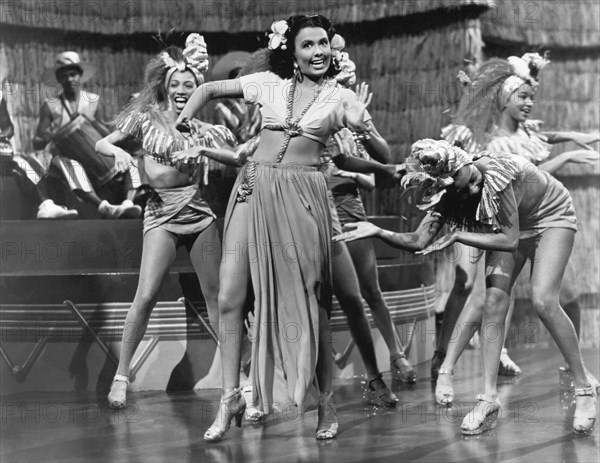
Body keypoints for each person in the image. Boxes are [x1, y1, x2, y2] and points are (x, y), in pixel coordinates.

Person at [174, 15, 376, 441]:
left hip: (303, 198)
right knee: (229, 296)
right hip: (253, 189)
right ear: (293, 52)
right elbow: (209, 89)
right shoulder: (268, 83)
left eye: (324, 43)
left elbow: (380, 151)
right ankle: (230, 396)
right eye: (308, 45)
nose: (319, 51)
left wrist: (363, 124)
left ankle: (325, 401)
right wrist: (186, 119)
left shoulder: (340, 96)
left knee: (312, 304)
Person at [334, 138, 597, 435]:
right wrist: (377, 230)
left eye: (470, 182)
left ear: (467, 164)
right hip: (508, 226)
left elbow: (508, 241)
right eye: (461, 188)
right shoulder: (450, 192)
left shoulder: (499, 173)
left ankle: (584, 388)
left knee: (543, 301)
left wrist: (458, 236)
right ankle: (488, 399)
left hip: (550, 217)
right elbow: (419, 241)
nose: (471, 191)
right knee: (493, 301)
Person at [432, 53, 600, 381]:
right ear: (503, 99)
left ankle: (571, 363)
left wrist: (570, 136)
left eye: (531, 97)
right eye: (522, 97)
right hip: (501, 221)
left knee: (567, 296)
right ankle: (446, 362)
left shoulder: (522, 132)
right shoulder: (493, 141)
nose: (529, 103)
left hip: (536, 222)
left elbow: (541, 137)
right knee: (480, 293)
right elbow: (529, 175)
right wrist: (566, 155)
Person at [95, 34, 238, 409]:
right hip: (161, 214)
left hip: (199, 213)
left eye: (189, 85)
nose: (181, 90)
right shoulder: (146, 121)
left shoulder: (207, 131)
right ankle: (122, 376)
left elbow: (238, 160)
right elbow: (102, 143)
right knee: (145, 295)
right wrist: (119, 155)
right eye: (175, 84)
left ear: (199, 91)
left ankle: (237, 381)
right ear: (165, 86)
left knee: (216, 299)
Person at [327, 42, 417, 386]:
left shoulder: (352, 118)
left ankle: (396, 355)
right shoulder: (309, 113)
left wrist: (362, 124)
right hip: (313, 208)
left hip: (349, 211)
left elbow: (378, 164)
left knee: (370, 290)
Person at [14, 51, 141, 219]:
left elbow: (104, 131)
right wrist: (46, 136)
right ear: (58, 80)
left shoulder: (93, 100)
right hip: (64, 157)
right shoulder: (51, 105)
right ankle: (102, 206)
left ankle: (127, 203)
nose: (69, 79)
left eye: (73, 74)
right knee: (68, 164)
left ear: (80, 76)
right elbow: (37, 143)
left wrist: (95, 125)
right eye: (64, 76)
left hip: (95, 157)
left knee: (134, 161)